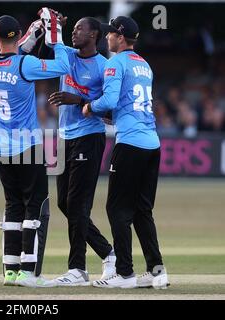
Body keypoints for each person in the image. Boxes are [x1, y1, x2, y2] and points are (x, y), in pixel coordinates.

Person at [0, 11, 70, 288]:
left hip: (1, 146)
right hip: (29, 146)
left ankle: (10, 271)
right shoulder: (26, 64)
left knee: (12, 206)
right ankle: (29, 273)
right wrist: (54, 36)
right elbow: (63, 66)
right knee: (36, 205)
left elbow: (15, 49)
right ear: (17, 34)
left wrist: (36, 31)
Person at [81, 16, 169, 289]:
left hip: (129, 143)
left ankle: (125, 274)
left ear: (120, 37)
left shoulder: (115, 63)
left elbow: (108, 100)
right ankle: (157, 271)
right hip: (152, 143)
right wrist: (115, 116)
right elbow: (130, 102)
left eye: (110, 34)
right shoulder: (144, 64)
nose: (107, 37)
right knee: (142, 210)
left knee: (117, 209)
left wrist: (89, 107)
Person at [46, 16, 116, 286]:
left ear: (94, 35)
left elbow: (111, 112)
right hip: (65, 137)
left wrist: (81, 100)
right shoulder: (65, 55)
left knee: (77, 203)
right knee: (65, 203)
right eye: (72, 29)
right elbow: (51, 42)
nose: (74, 33)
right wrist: (51, 21)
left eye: (79, 29)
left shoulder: (105, 67)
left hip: (90, 137)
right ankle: (109, 253)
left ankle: (77, 269)